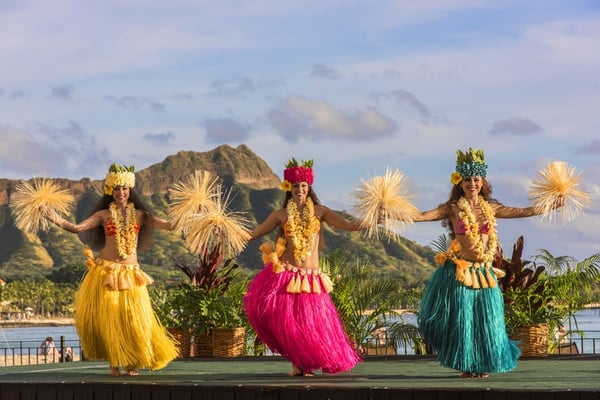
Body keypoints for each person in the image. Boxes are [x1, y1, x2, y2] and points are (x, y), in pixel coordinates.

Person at [415, 148, 563, 378]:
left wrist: (551, 205)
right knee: (465, 320)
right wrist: (391, 212)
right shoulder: (453, 208)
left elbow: (523, 211)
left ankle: (483, 363)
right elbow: (422, 215)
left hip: (484, 272)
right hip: (461, 271)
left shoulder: (490, 208)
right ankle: (467, 364)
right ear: (460, 183)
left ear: (482, 182)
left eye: (476, 179)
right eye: (467, 180)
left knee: (487, 319)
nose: (472, 183)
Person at [45, 163, 179, 376]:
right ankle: (114, 364)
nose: (121, 192)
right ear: (110, 190)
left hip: (132, 275)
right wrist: (54, 217)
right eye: (116, 188)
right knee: (112, 321)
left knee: (136, 320)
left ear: (130, 190)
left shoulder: (141, 215)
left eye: (125, 188)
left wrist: (192, 213)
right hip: (107, 273)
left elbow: (170, 225)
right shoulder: (103, 215)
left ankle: (133, 361)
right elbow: (77, 228)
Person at [243, 158, 363, 377]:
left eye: (304, 186)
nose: (300, 190)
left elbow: (350, 226)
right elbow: (254, 234)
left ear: (309, 188)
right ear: (289, 188)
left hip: (312, 280)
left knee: (313, 325)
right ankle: (299, 364)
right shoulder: (280, 215)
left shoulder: (320, 211)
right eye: (296, 186)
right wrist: (226, 230)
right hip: (288, 276)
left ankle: (308, 363)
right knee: (291, 325)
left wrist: (376, 218)